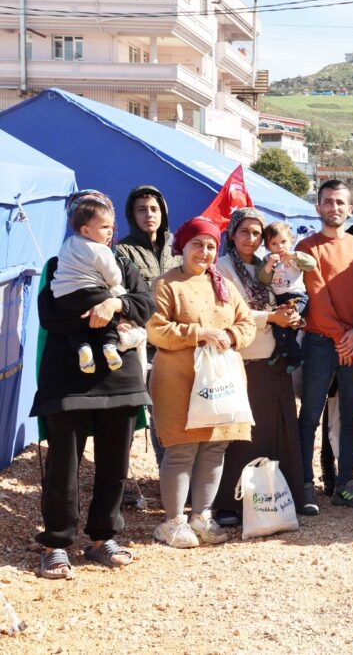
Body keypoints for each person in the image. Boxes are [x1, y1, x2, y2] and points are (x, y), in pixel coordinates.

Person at [32, 190, 154, 579]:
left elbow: (146, 305)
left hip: (120, 382)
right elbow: (51, 315)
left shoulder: (123, 263)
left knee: (115, 465)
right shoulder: (58, 265)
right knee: (63, 467)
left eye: (112, 220)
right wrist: (97, 313)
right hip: (68, 382)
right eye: (103, 221)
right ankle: (55, 544)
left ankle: (103, 538)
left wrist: (114, 306)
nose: (111, 227)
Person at [148, 216, 256, 549]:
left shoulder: (222, 284)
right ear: (183, 246)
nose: (205, 252)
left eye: (211, 246)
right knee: (180, 450)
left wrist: (230, 334)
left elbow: (247, 323)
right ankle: (173, 521)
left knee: (214, 448)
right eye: (198, 244)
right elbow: (155, 329)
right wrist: (199, 334)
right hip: (178, 380)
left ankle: (202, 516)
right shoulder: (166, 284)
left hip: (220, 383)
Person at [211, 208, 306, 527]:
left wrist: (290, 315)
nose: (250, 239)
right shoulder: (222, 268)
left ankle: (280, 497)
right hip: (243, 359)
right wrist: (271, 318)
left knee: (277, 432)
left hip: (274, 357)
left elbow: (284, 295)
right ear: (232, 234)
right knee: (241, 435)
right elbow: (225, 315)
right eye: (244, 232)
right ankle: (230, 503)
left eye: (256, 233)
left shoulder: (269, 265)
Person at [295, 180, 353, 515]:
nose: (334, 208)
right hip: (320, 342)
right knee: (310, 415)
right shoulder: (307, 247)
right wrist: (342, 336)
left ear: (349, 209)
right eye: (327, 201)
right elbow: (316, 297)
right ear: (318, 207)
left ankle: (345, 485)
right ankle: (304, 485)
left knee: (351, 418)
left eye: (340, 202)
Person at [115, 185, 180, 467]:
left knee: (168, 415)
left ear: (163, 212)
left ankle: (170, 476)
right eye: (141, 209)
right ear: (132, 214)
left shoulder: (178, 247)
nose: (148, 214)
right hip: (141, 344)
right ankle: (121, 480)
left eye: (153, 209)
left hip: (176, 342)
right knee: (129, 415)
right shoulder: (122, 250)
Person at [50, 196, 128, 375]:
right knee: (108, 317)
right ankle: (109, 346)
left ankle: (82, 348)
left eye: (111, 227)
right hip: (92, 292)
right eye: (104, 227)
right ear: (85, 230)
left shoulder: (67, 244)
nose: (110, 232)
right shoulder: (101, 249)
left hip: (63, 297)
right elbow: (113, 278)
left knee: (74, 325)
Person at [258, 221, 315, 370]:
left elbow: (311, 265)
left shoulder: (295, 257)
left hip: (297, 297)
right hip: (280, 300)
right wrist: (269, 265)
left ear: (291, 241)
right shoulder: (267, 260)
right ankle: (282, 352)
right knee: (279, 329)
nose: (280, 247)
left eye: (283, 242)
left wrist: (295, 256)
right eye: (274, 243)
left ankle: (295, 357)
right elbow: (263, 279)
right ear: (268, 246)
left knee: (289, 324)